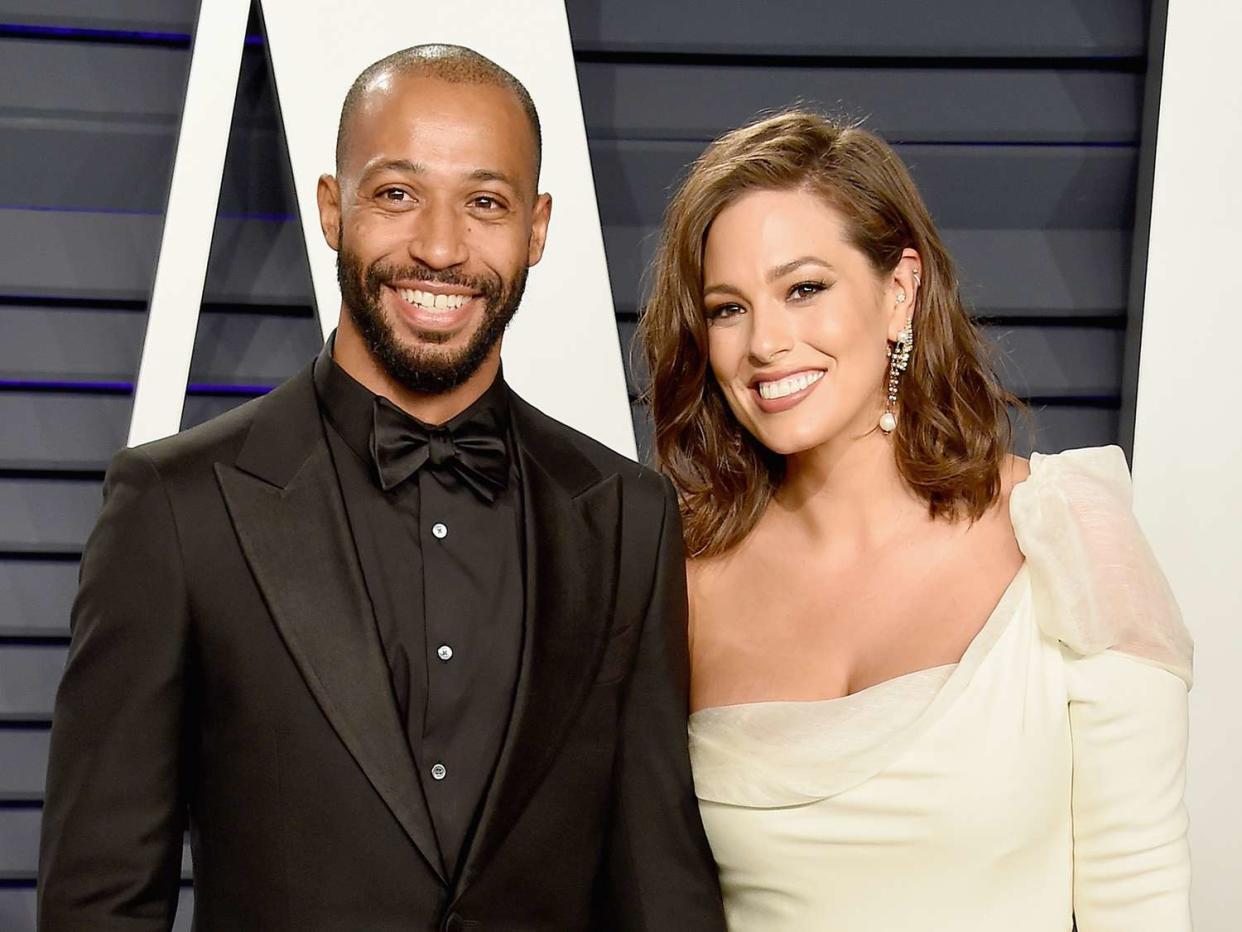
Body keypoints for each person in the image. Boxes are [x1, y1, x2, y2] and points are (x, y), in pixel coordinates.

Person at [38, 44, 725, 931]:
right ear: (333, 208)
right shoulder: (174, 507)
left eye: (485, 203)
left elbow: (658, 886)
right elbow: (99, 905)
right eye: (397, 194)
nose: (440, 248)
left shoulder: (628, 517)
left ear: (538, 228)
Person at [641, 109, 1193, 930]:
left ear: (900, 291)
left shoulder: (1064, 534)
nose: (765, 342)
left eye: (804, 289)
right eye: (728, 308)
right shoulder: (674, 578)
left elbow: (1138, 897)